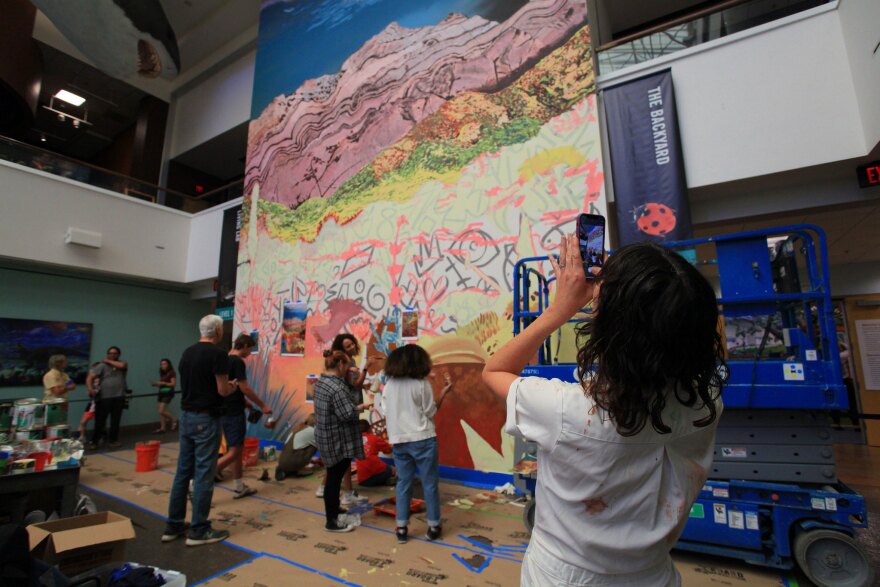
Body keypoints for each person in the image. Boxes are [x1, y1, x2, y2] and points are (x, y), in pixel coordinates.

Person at [482, 235, 726, 586]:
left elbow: (494, 371)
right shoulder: (706, 403)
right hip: (653, 575)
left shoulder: (567, 409)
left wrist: (559, 309)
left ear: (610, 328)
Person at [162, 315, 236, 547]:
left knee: (183, 471)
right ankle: (199, 529)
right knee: (204, 473)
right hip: (206, 417)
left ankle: (173, 525)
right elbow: (222, 390)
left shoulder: (188, 352)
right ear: (217, 331)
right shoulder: (218, 354)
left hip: (186, 416)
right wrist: (233, 387)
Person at [380, 344, 453, 544]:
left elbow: (386, 410)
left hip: (399, 441)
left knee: (403, 483)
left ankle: (401, 528)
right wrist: (444, 393)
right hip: (423, 439)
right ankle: (433, 526)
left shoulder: (389, 385)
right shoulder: (421, 384)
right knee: (429, 484)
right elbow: (430, 411)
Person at [314, 350, 371, 533]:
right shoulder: (337, 388)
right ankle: (331, 520)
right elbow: (347, 414)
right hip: (337, 440)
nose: (348, 369)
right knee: (334, 479)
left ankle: (335, 510)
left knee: (333, 476)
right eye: (347, 366)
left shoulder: (322, 382)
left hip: (326, 436)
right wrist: (361, 407)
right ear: (340, 364)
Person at [215, 333, 271, 498]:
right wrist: (263, 405)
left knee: (236, 450)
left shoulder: (225, 359)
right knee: (233, 452)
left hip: (225, 410)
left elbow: (230, 387)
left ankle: (239, 486)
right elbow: (244, 387)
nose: (250, 353)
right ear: (245, 345)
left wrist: (245, 402)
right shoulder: (238, 362)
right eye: (250, 348)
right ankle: (198, 478)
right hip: (233, 413)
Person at [87, 346, 128, 449]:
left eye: (115, 353)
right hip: (104, 397)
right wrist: (90, 388)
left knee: (116, 420)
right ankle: (94, 441)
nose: (112, 355)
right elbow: (90, 377)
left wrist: (107, 361)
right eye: (110, 353)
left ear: (118, 355)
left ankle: (113, 440)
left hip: (119, 396)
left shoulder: (122, 364)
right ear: (107, 354)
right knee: (100, 420)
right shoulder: (101, 366)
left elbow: (122, 365)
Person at [275, 414, 318, 480]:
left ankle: (286, 469)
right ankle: (298, 469)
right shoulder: (312, 431)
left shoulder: (298, 428)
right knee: (316, 445)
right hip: (293, 461)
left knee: (310, 443)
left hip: (281, 460)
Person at [355, 419, 395, 487]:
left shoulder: (355, 440)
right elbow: (389, 450)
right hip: (373, 477)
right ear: (370, 428)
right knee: (391, 469)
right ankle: (387, 480)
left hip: (362, 480)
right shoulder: (374, 438)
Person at [151, 358, 178, 433]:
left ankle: (174, 419)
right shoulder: (163, 373)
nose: (163, 365)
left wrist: (163, 383)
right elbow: (163, 384)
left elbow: (173, 384)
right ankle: (163, 428)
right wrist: (157, 384)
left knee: (161, 411)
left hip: (168, 392)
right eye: (161, 364)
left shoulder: (171, 372)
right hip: (161, 392)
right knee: (161, 412)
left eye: (164, 364)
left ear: (169, 364)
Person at [77, 362, 101, 440]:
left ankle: (101, 436)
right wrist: (90, 390)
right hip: (92, 403)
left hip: (100, 403)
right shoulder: (91, 382)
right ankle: (82, 436)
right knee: (83, 421)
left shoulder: (102, 381)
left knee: (100, 422)